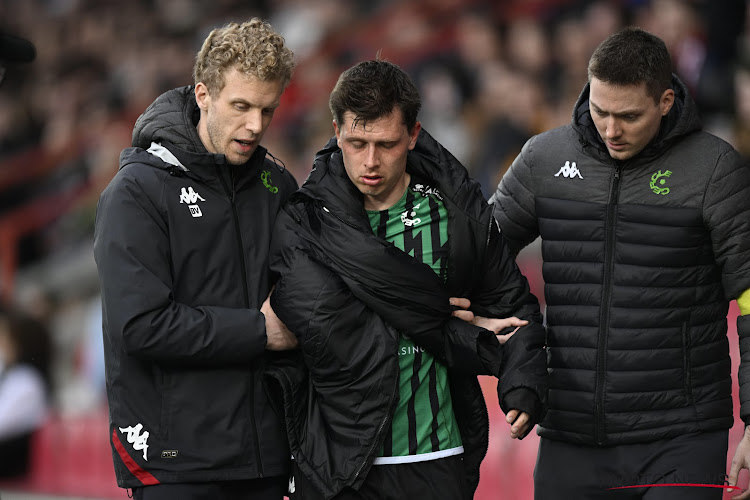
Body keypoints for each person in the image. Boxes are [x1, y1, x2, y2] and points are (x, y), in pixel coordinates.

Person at [264, 59, 548, 500]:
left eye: (387, 144)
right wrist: (451, 325)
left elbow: (514, 306)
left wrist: (523, 377)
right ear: (336, 132)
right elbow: (323, 323)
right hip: (340, 466)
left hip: (437, 460)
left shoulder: (456, 214)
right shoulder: (304, 223)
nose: (370, 161)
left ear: (414, 136)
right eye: (356, 143)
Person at [490, 26, 750, 499]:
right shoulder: (542, 159)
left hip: (681, 439)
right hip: (570, 437)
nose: (611, 130)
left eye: (628, 116)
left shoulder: (715, 170)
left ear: (666, 101)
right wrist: (522, 362)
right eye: (599, 111)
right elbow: (480, 263)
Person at [93, 18, 298, 500]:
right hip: (176, 467)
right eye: (241, 106)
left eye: (267, 110)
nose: (255, 125)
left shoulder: (276, 186)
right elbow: (140, 325)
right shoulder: (136, 192)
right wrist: (257, 331)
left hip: (266, 457)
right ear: (203, 95)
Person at [0, 306, 52, 478]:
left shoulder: (26, 380)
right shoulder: (16, 376)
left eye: (5, 340)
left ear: (19, 344)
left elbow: (3, 423)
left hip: (14, 463)